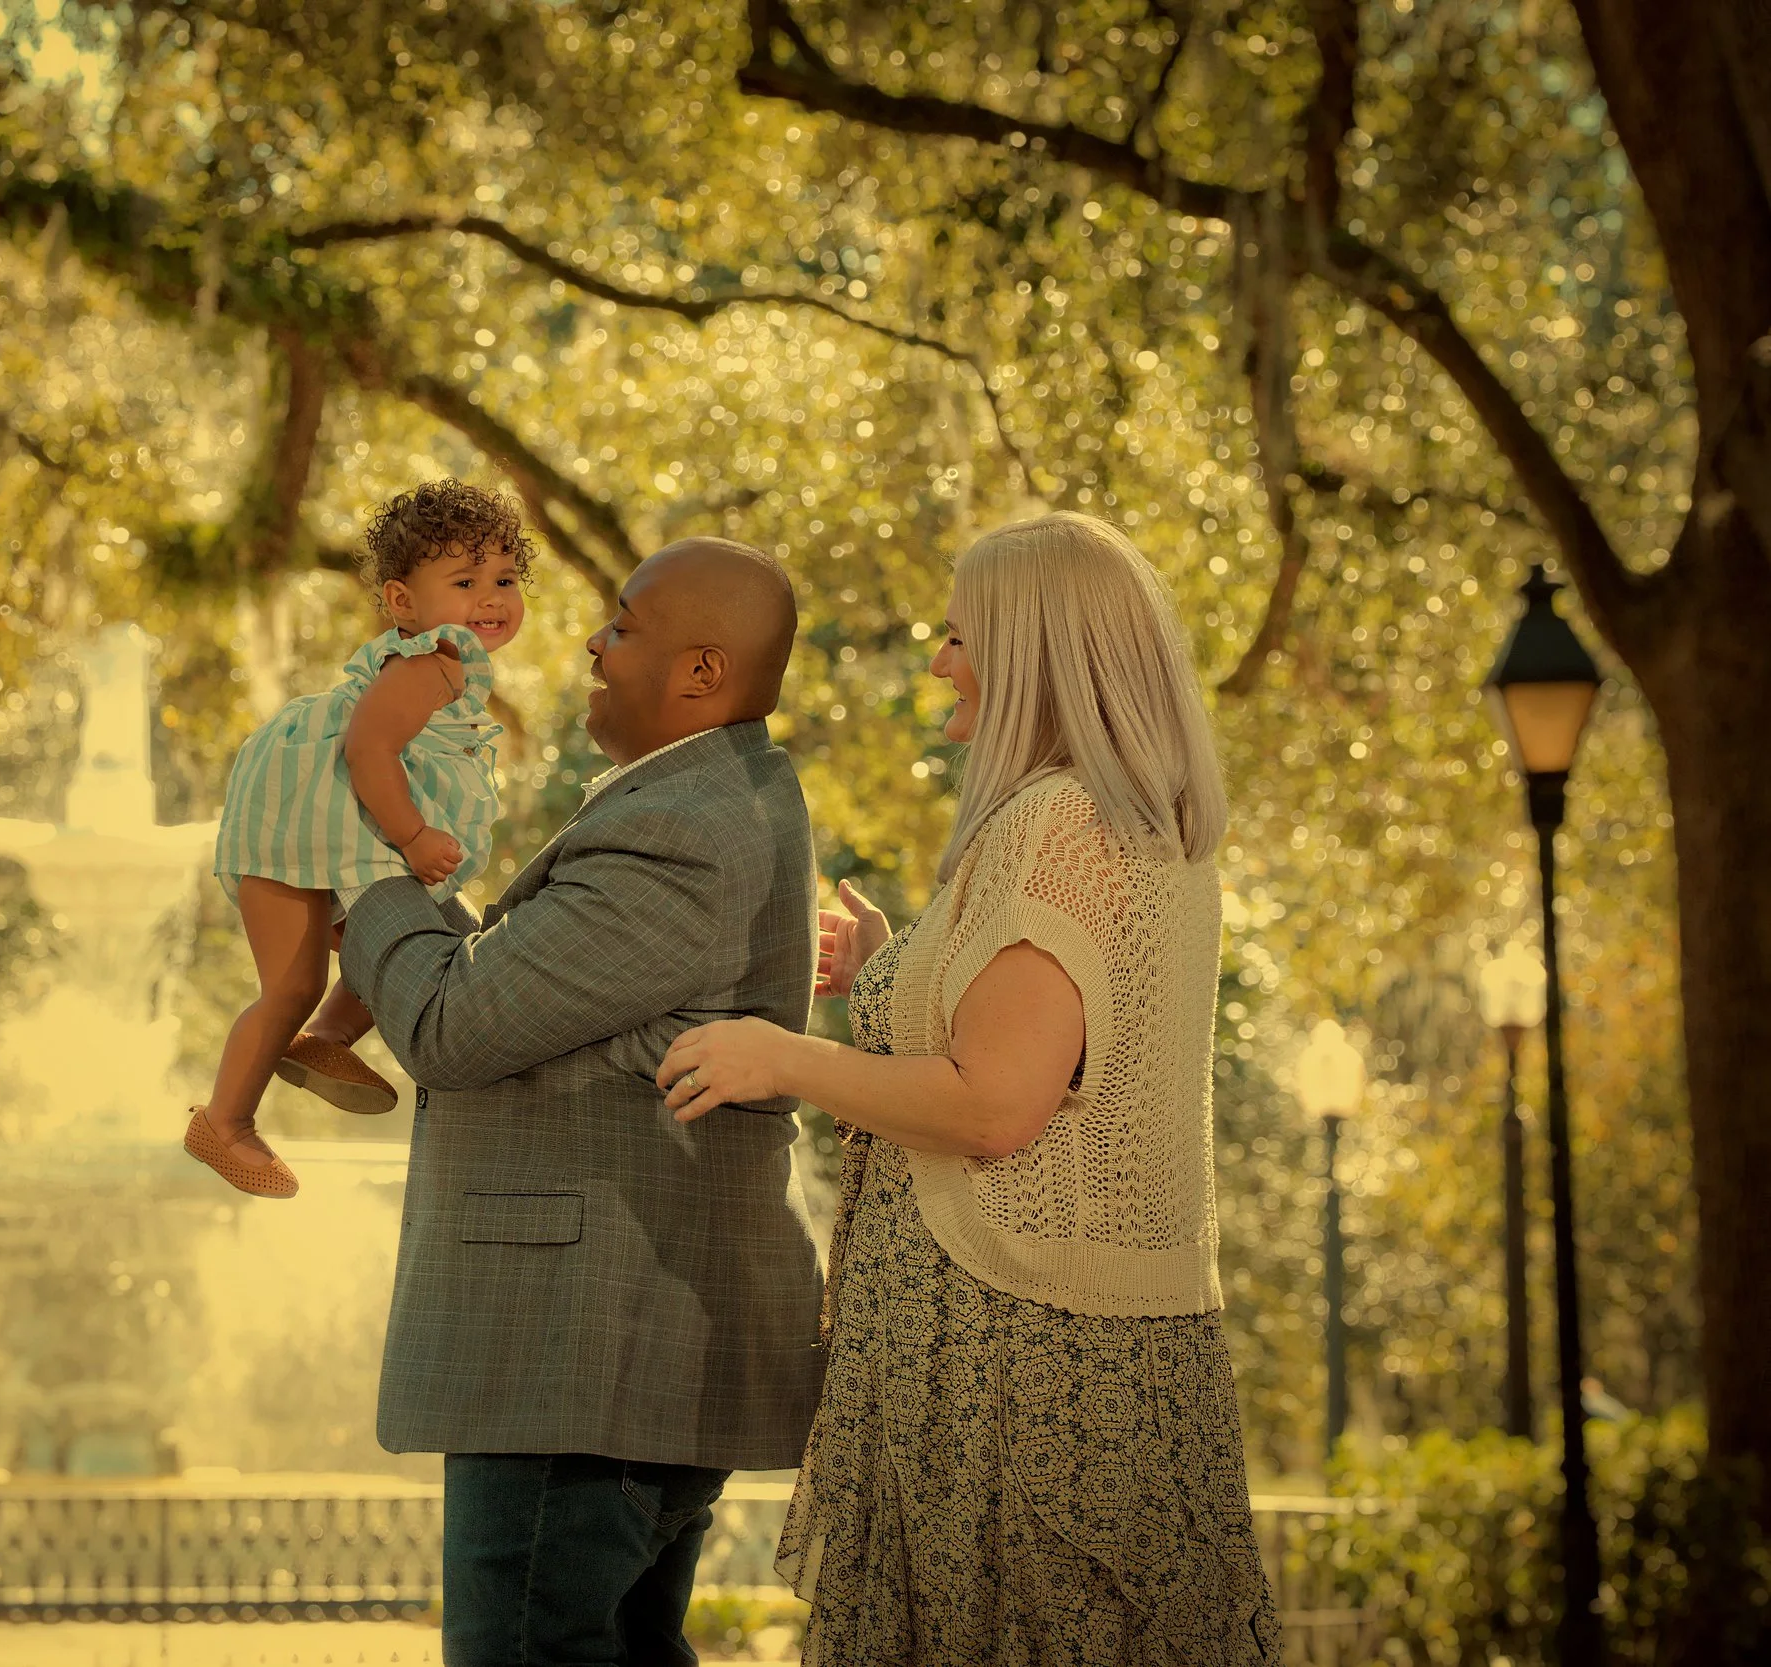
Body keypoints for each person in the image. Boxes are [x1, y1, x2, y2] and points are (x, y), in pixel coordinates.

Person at [658, 512, 1281, 1665]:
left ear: (1035, 648)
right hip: (1054, 1343)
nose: (939, 658)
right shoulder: (1126, 820)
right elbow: (1029, 1055)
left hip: (1014, 1352)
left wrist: (775, 1052)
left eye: (959, 633)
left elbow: (995, 1108)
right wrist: (897, 973)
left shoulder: (1057, 819)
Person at [337, 537, 824, 1667]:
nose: (592, 643)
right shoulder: (705, 801)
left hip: (583, 1353)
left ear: (701, 671)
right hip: (605, 1356)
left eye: (623, 623)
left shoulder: (684, 828)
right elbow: (506, 997)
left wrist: (362, 880)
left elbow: (454, 1027)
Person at [195, 482, 530, 1199]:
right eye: (465, 581)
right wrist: (410, 835)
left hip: (329, 823)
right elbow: (368, 750)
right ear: (404, 601)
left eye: (504, 579)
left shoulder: (453, 663)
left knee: (407, 937)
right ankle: (225, 1121)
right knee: (291, 981)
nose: (491, 596)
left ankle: (328, 1037)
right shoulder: (435, 658)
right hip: (293, 822)